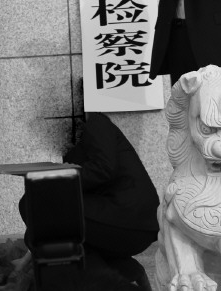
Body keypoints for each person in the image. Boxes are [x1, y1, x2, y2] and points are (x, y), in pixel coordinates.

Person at [19, 111, 159, 289]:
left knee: (35, 204)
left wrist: (56, 181)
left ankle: (112, 277)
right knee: (39, 211)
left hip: (129, 215)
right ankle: (122, 270)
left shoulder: (91, 120)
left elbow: (103, 169)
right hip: (110, 214)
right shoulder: (72, 134)